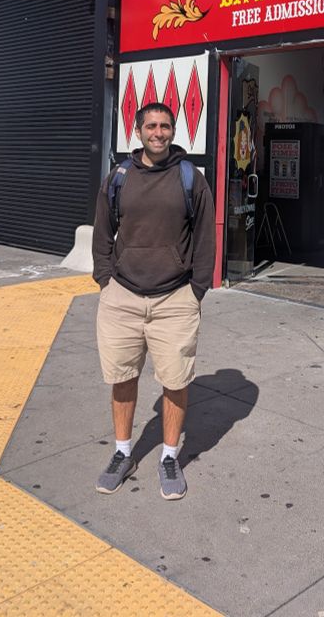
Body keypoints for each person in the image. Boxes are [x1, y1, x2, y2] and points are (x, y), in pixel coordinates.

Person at [92, 102, 216, 500]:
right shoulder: (119, 177)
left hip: (175, 299)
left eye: (165, 126)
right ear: (138, 129)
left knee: (175, 380)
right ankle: (123, 452)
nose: (158, 132)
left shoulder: (190, 178)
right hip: (122, 296)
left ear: (173, 130)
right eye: (151, 126)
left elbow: (205, 239)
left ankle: (168, 456)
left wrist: (196, 289)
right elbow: (102, 231)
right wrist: (105, 279)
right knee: (122, 376)